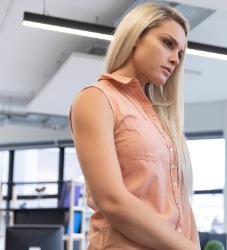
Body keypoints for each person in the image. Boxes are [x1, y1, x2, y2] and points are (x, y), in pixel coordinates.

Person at [70, 3, 200, 249]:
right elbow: (111, 201)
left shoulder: (161, 118)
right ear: (136, 37)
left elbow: (180, 201)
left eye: (181, 53)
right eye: (167, 43)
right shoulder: (96, 99)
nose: (175, 59)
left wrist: (194, 244)